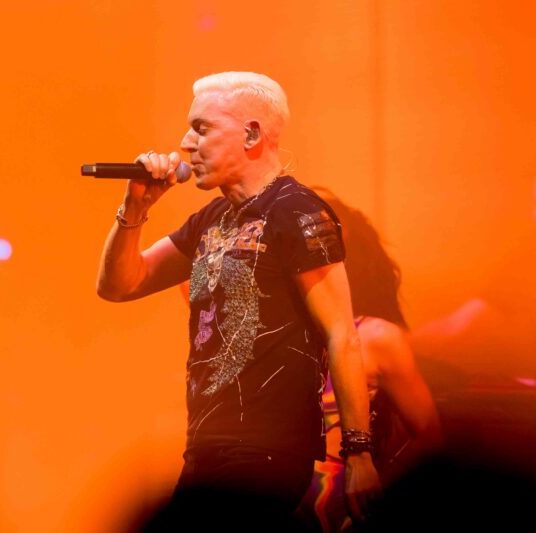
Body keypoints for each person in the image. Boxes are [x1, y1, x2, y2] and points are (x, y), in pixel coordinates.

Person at [96, 72, 381, 526]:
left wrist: (358, 454)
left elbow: (341, 333)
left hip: (266, 451)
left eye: (202, 128)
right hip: (207, 446)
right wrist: (136, 207)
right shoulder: (209, 219)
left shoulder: (297, 211)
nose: (186, 144)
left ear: (251, 134)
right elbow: (120, 285)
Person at [294, 191, 442, 532]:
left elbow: (429, 437)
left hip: (334, 514)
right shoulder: (270, 334)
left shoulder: (375, 337)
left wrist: (374, 485)